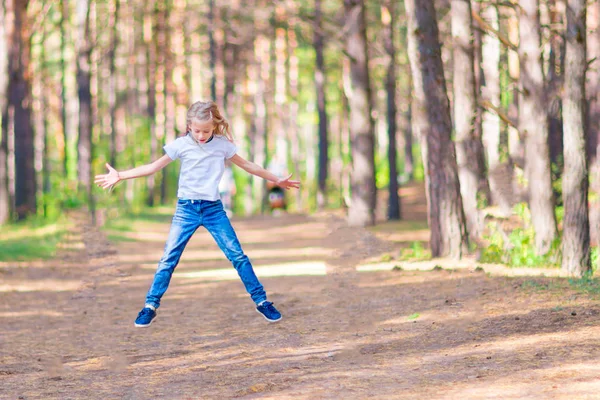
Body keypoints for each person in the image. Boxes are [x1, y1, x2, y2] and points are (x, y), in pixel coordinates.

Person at [94, 100, 300, 328]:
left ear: (215, 127)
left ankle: (262, 302)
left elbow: (248, 165)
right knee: (168, 259)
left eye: (206, 131)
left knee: (238, 256)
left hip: (213, 210)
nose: (201, 135)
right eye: (197, 130)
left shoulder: (223, 145)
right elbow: (152, 167)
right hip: (186, 210)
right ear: (189, 126)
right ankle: (150, 306)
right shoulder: (181, 145)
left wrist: (276, 179)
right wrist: (121, 175)